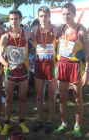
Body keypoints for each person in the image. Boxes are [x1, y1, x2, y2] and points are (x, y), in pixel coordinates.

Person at [54, 3, 89, 138]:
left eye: (68, 13)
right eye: (63, 14)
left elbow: (87, 52)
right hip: (62, 65)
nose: (66, 16)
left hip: (75, 66)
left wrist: (87, 71)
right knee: (62, 98)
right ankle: (64, 124)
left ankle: (77, 126)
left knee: (78, 99)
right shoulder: (60, 29)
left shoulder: (81, 30)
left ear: (74, 14)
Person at [0, 9, 33, 135]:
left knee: (23, 97)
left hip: (23, 71)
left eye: (16, 18)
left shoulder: (28, 34)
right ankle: (6, 123)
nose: (13, 21)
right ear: (9, 20)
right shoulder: (5, 37)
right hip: (10, 72)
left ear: (21, 19)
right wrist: (7, 65)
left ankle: (22, 122)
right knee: (9, 98)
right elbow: (0, 56)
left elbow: (39, 38)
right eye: (11, 19)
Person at [31, 6, 60, 134]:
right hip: (39, 65)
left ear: (49, 16)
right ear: (38, 17)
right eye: (41, 16)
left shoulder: (55, 30)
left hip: (51, 65)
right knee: (39, 96)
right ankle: (40, 121)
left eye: (46, 15)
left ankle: (49, 122)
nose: (43, 18)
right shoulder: (33, 30)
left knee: (51, 96)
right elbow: (17, 34)